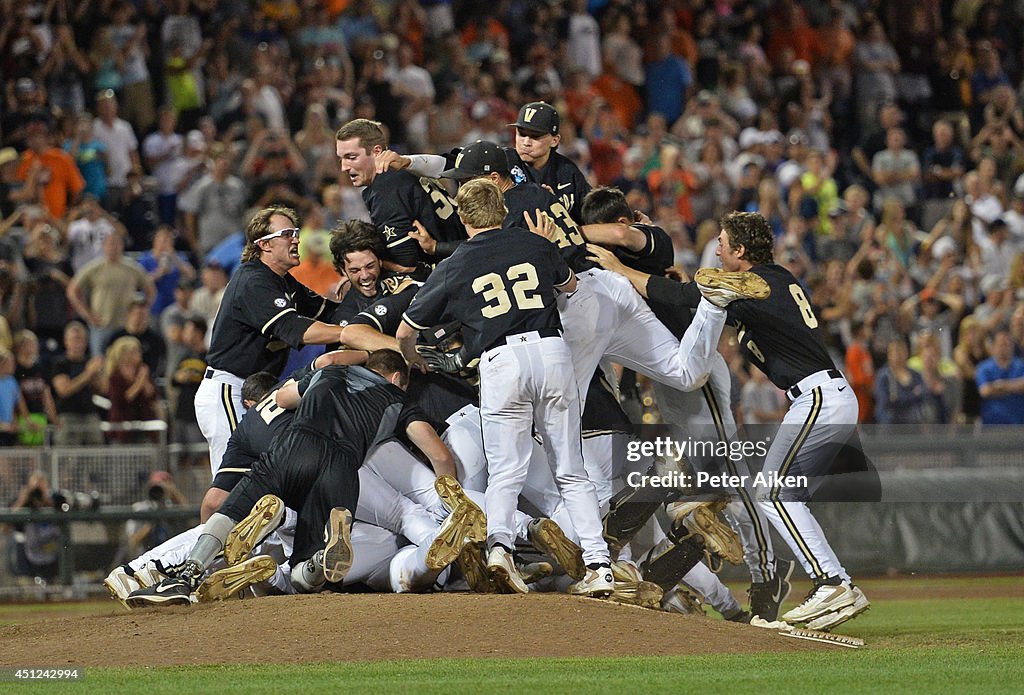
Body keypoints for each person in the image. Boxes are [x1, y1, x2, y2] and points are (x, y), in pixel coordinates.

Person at [598, 211, 871, 631]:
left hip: (818, 395)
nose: (719, 248)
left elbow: (695, 297)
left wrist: (620, 268)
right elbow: (702, 299)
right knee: (776, 495)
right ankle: (831, 583)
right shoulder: (769, 280)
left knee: (775, 494)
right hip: (819, 396)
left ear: (740, 251)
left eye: (723, 242)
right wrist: (676, 281)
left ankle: (833, 584)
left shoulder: (756, 280)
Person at [398, 178, 613, 597]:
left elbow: (408, 329)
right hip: (552, 351)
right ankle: (600, 564)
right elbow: (570, 287)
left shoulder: (454, 264)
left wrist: (413, 358)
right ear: (502, 208)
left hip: (501, 361)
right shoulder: (534, 244)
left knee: (505, 472)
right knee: (570, 468)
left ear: (462, 217)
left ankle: (500, 550)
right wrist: (546, 249)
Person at [126, 349, 458, 604]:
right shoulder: (397, 400)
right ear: (397, 377)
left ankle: (186, 575)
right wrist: (447, 500)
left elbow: (283, 397)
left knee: (231, 511)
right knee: (312, 569)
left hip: (296, 445)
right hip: (343, 469)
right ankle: (313, 556)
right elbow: (440, 456)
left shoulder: (332, 372)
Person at [195, 205, 342, 476]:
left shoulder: (283, 282)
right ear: (264, 244)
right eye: (287, 234)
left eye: (295, 232)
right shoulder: (254, 280)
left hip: (255, 391)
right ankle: (214, 521)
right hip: (229, 390)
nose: (296, 239)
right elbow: (295, 328)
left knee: (264, 480)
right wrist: (346, 334)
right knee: (233, 483)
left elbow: (331, 312)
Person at [335, 118, 466, 271]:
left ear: (377, 152)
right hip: (461, 253)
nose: (344, 167)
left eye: (351, 157)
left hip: (453, 271)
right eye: (341, 159)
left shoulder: (384, 189)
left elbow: (407, 264)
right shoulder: (404, 169)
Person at [65, 233, 155, 357]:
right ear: (104, 246)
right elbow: (72, 290)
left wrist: (141, 312)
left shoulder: (132, 267)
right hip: (101, 324)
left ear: (122, 246)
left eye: (117, 243)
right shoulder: (94, 267)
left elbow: (150, 289)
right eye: (110, 243)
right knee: (99, 361)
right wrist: (87, 315)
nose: (114, 247)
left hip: (125, 326)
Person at [49, 321, 104, 446]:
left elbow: (102, 389)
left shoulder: (89, 362)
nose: (77, 343)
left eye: (81, 339)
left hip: (90, 413)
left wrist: (97, 374)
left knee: (96, 456)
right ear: (66, 341)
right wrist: (88, 374)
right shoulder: (59, 363)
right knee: (67, 457)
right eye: (74, 339)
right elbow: (64, 390)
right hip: (68, 415)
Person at [975, 331, 1024, 425]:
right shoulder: (984, 368)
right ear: (993, 347)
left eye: (1007, 344)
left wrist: (1000, 385)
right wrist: (1015, 387)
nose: (1004, 348)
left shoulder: (1021, 365)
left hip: (1018, 423)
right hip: (992, 423)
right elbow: (985, 391)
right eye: (1001, 344)